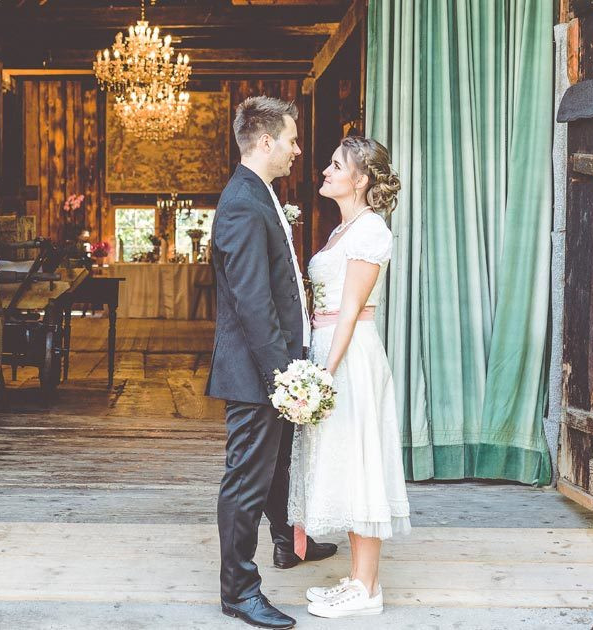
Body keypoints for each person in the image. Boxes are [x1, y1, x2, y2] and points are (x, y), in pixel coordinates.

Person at [206, 96, 337, 630]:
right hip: (259, 369)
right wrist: (282, 373)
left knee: (279, 463)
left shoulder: (260, 195)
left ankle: (287, 543)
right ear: (265, 143)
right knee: (245, 478)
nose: (297, 150)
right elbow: (251, 300)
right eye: (290, 140)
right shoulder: (241, 202)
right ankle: (239, 591)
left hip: (278, 362)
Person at [287, 135, 410, 619]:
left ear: (360, 180)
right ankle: (360, 579)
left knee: (362, 461)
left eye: (336, 165)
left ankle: (368, 588)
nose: (326, 170)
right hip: (329, 346)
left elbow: (351, 309)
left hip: (350, 354)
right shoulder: (343, 230)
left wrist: (324, 375)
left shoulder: (370, 230)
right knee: (344, 458)